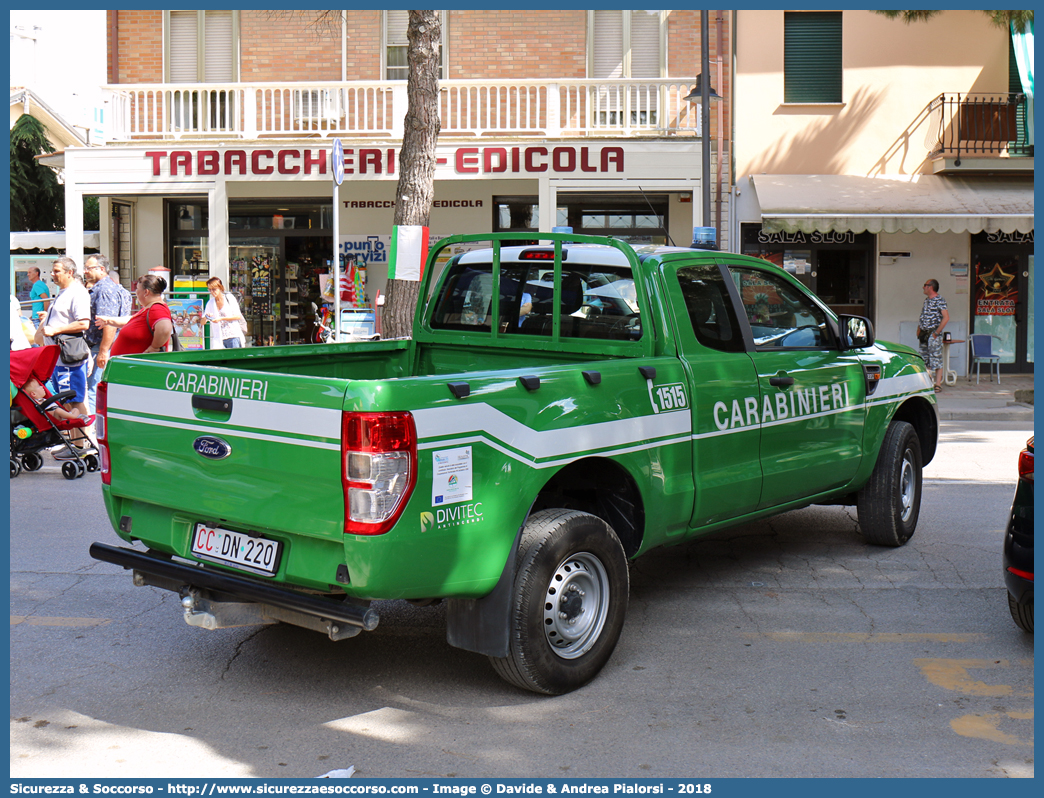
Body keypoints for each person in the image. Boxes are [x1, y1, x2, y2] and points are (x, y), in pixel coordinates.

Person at [33, 257, 92, 456]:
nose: (52, 274)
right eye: (52, 270)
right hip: (59, 358)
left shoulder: (77, 292)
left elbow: (84, 323)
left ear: (69, 272)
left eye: (57, 271)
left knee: (75, 400)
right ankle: (76, 443)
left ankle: (80, 446)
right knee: (67, 400)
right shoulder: (64, 292)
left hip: (69, 357)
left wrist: (55, 328)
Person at [84, 254, 132, 415]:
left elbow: (109, 324)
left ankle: (93, 431)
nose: (85, 272)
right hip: (111, 346)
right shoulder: (118, 289)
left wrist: (103, 351)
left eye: (89, 268)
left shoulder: (104, 290)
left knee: (94, 389)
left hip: (101, 346)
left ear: (101, 269)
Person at [97, 274, 173, 355]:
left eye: (137, 289)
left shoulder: (157, 309)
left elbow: (165, 328)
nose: (136, 292)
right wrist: (108, 320)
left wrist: (154, 347)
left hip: (140, 365)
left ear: (146, 292)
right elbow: (132, 320)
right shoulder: (149, 308)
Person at [917, 278, 950, 392]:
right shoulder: (926, 301)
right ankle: (927, 382)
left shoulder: (940, 300)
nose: (923, 287)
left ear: (930, 287)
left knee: (936, 358)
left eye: (925, 285)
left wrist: (936, 333)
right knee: (924, 358)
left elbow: (946, 317)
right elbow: (923, 316)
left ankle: (937, 384)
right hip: (924, 334)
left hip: (933, 334)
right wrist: (919, 329)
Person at [203, 277, 246, 348]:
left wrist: (221, 318)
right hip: (218, 338)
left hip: (233, 335)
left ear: (220, 288)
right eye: (210, 289)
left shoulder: (229, 298)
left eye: (214, 289)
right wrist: (206, 317)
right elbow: (202, 322)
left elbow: (238, 316)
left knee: (234, 358)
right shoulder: (210, 303)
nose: (212, 292)